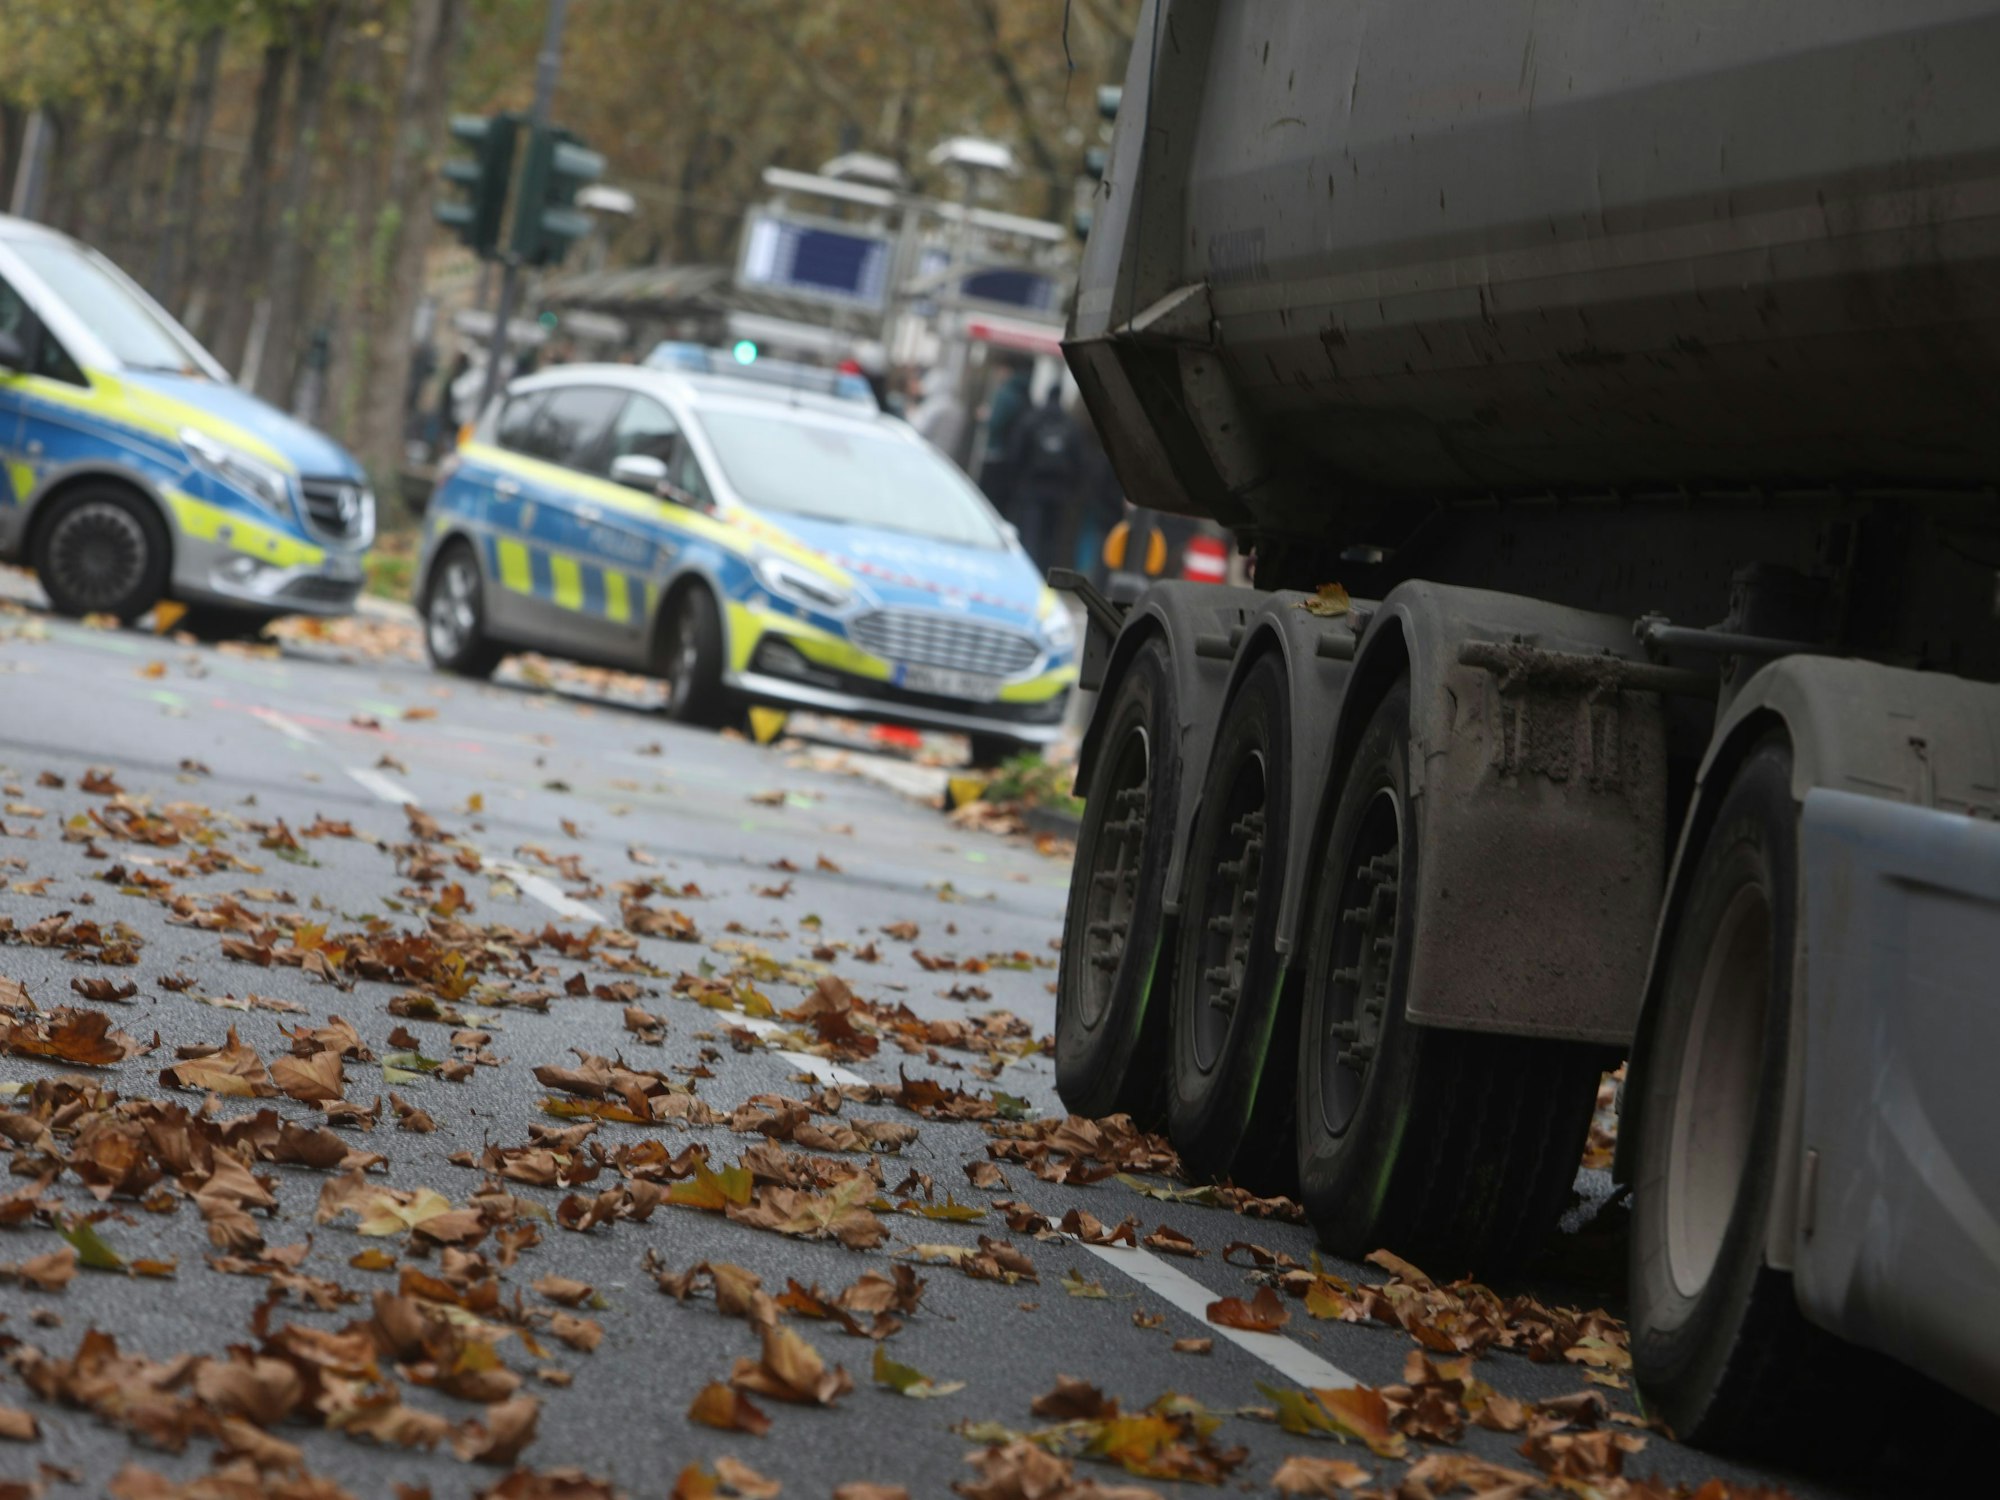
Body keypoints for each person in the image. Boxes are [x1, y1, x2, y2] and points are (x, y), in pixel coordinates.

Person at [999, 388, 1082, 576]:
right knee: (1050, 539)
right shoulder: (1070, 425)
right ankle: (1046, 576)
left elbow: (1015, 454)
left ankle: (1026, 575)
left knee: (1030, 536)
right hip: (1059, 493)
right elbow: (1079, 462)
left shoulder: (1031, 420)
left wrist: (1016, 484)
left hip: (1031, 489)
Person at [977, 354, 1034, 505]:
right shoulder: (1025, 393)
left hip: (996, 453)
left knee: (986, 498)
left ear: (1007, 370)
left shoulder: (1005, 394)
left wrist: (985, 417)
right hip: (1013, 456)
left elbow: (994, 423)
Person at [909, 365, 969, 465]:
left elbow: (918, 428)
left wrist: (911, 411)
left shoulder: (935, 405)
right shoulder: (957, 407)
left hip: (928, 453)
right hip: (948, 454)